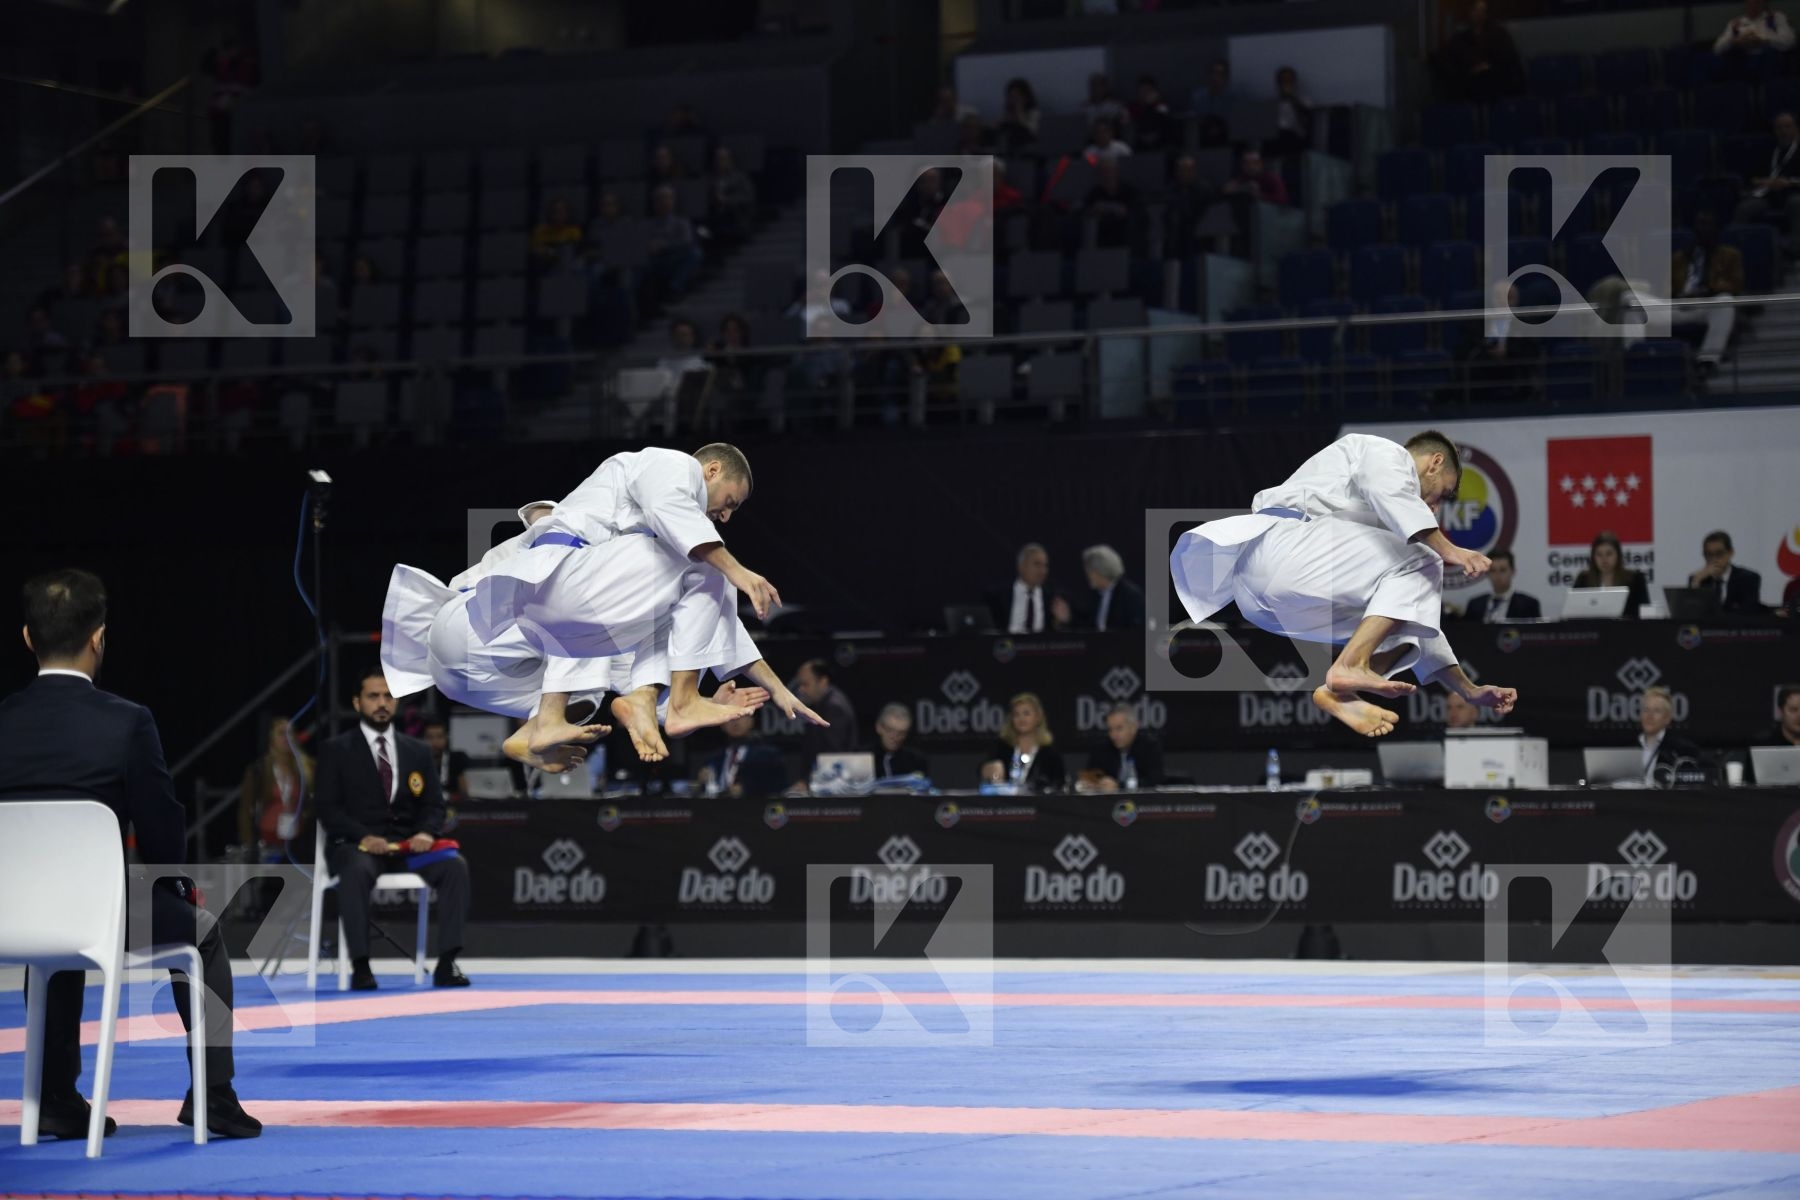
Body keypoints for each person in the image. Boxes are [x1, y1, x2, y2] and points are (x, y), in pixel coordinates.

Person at [0, 569, 261, 1139]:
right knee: (202, 930)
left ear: (27, 637)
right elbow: (164, 832)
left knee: (55, 940)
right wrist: (171, 887)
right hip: (101, 912)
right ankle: (213, 1095)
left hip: (11, 917)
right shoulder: (126, 722)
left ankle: (52, 1097)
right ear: (98, 638)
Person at [381, 445, 781, 768]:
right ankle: (553, 719)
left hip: (466, 677)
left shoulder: (620, 580)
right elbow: (691, 547)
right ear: (710, 470)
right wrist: (738, 572)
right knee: (689, 567)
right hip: (473, 622)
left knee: (594, 686)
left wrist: (701, 704)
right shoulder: (668, 465)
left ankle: (535, 729)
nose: (725, 516)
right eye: (729, 501)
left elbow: (692, 629)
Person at [1170, 431, 1519, 739]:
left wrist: (1469, 691)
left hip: (1267, 603)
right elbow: (1393, 495)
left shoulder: (1385, 528)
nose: (1435, 505)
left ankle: (1339, 692)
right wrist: (1450, 549)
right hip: (1281, 551)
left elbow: (1416, 615)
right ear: (1434, 462)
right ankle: (1351, 665)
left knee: (1404, 620)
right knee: (1425, 559)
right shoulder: (1384, 453)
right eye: (1440, 493)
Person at [314, 670, 472, 991]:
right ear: (358, 703)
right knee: (356, 871)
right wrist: (363, 837)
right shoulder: (336, 750)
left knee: (454, 866)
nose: (382, 703)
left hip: (406, 848)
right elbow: (327, 809)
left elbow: (434, 806)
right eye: (374, 696)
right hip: (358, 847)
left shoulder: (418, 750)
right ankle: (361, 966)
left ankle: (446, 962)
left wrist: (427, 832)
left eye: (388, 696)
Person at [1666, 212, 1743, 366]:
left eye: (1708, 224)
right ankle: (1632, 357)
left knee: (1725, 301)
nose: (1703, 229)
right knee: (1633, 303)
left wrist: (1709, 288)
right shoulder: (1679, 258)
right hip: (1677, 306)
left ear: (1716, 230)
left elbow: (1735, 285)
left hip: (1706, 304)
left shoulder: (1730, 255)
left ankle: (1707, 360)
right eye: (1700, 224)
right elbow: (1665, 287)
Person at [237, 714, 314, 861]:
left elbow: (312, 804)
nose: (287, 738)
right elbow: (245, 809)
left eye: (290, 733)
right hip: (266, 841)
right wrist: (248, 843)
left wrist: (304, 818)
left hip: (297, 842)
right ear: (271, 737)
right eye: (281, 733)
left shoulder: (306, 768)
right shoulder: (259, 770)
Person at [1733, 112, 1800, 256]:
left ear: (1796, 129)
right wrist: (1768, 182)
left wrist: (1788, 182)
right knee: (1745, 208)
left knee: (1797, 203)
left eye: (1788, 127)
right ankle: (1740, 251)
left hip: (1792, 193)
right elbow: (1752, 178)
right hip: (1768, 195)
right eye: (1779, 127)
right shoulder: (1768, 151)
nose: (1783, 131)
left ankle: (1795, 250)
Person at [1437, 0, 1525, 103]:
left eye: (1482, 10)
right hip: (1470, 88)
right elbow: (1450, 61)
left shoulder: (1499, 35)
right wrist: (1472, 70)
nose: (1478, 14)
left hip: (1496, 86)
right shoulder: (1459, 39)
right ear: (1469, 12)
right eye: (1475, 10)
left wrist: (1489, 66)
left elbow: (1509, 59)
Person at [980, 693, 1068, 791]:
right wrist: (989, 768)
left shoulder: (1050, 755)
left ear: (1038, 717)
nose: (1021, 719)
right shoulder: (1001, 747)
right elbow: (981, 769)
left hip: (1039, 805)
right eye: (1016, 714)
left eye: (1026, 713)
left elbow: (1060, 785)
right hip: (1004, 804)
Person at [696, 712, 787, 798]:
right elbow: (705, 790)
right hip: (715, 809)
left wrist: (746, 790)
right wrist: (701, 783)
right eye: (730, 718)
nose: (735, 722)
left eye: (741, 717)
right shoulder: (713, 758)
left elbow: (779, 787)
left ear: (751, 721)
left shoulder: (768, 755)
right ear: (722, 724)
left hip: (753, 809)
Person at [989, 542, 1072, 635]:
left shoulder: (1054, 597)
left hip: (1040, 647)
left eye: (1045, 565)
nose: (1043, 570)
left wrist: (1062, 622)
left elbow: (1062, 634)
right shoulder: (996, 597)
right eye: (1037, 564)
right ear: (1021, 566)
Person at [1639, 685, 1712, 786]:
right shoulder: (1629, 745)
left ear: (1667, 718)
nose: (1649, 716)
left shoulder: (1682, 748)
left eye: (1656, 711)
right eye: (1646, 710)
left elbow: (1709, 772)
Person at [1572, 530, 1652, 618]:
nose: (1604, 559)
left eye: (1609, 554)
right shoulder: (1583, 579)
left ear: (1618, 555)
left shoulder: (1635, 580)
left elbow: (1645, 617)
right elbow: (1573, 615)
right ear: (1593, 557)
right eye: (1599, 554)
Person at [1087, 702, 1164, 790]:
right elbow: (1089, 777)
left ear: (1134, 727)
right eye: (1110, 729)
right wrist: (1095, 783)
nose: (1113, 735)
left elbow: (1155, 780)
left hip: (1142, 801)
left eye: (1119, 728)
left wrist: (1119, 786)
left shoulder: (1149, 746)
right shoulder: (1102, 748)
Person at [795, 658, 858, 761]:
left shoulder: (834, 707)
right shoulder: (819, 704)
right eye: (800, 684)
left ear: (823, 682)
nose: (801, 689)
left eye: (805, 684)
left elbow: (833, 753)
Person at [1687, 530, 1765, 613]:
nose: (1714, 559)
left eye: (1719, 553)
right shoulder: (1698, 579)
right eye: (1708, 554)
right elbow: (1691, 614)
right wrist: (1696, 583)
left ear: (1730, 552)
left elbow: (1749, 612)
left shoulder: (1748, 578)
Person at [1713, 0, 1795, 71]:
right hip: (1742, 67)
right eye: (1750, 2)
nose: (1753, 5)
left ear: (1763, 3)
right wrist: (1734, 42)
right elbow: (1717, 48)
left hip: (1771, 66)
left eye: (1757, 2)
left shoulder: (1776, 18)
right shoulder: (1736, 23)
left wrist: (1765, 41)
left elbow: (1789, 42)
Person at [1463, 549, 1542, 621]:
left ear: (1512, 572)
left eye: (1503, 570)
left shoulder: (1528, 605)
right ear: (1487, 573)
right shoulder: (1475, 605)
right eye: (1493, 570)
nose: (1498, 575)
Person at [1082, 544, 1145, 631]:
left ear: (1099, 571)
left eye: (1090, 571)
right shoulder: (1095, 595)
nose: (1088, 576)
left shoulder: (1129, 595)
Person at [871, 703, 930, 781]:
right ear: (879, 727)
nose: (895, 737)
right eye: (890, 730)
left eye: (901, 733)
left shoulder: (916, 760)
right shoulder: (863, 756)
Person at [421, 717, 469, 800]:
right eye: (430, 737)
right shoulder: (417, 762)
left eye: (439, 737)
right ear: (423, 739)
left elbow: (464, 794)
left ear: (446, 739)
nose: (435, 742)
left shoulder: (456, 759)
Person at [1222, 148, 1289, 207]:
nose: (1251, 166)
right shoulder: (1243, 178)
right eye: (1247, 163)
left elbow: (1282, 200)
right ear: (1242, 165)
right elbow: (1227, 190)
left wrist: (1259, 195)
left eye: (1255, 163)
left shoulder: (1272, 178)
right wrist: (1242, 188)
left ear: (1261, 163)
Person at [1190, 60, 1235, 148]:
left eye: (1219, 74)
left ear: (1226, 77)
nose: (1215, 77)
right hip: (1203, 139)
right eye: (1212, 73)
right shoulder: (1197, 98)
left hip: (1226, 139)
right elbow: (1193, 121)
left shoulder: (1233, 99)